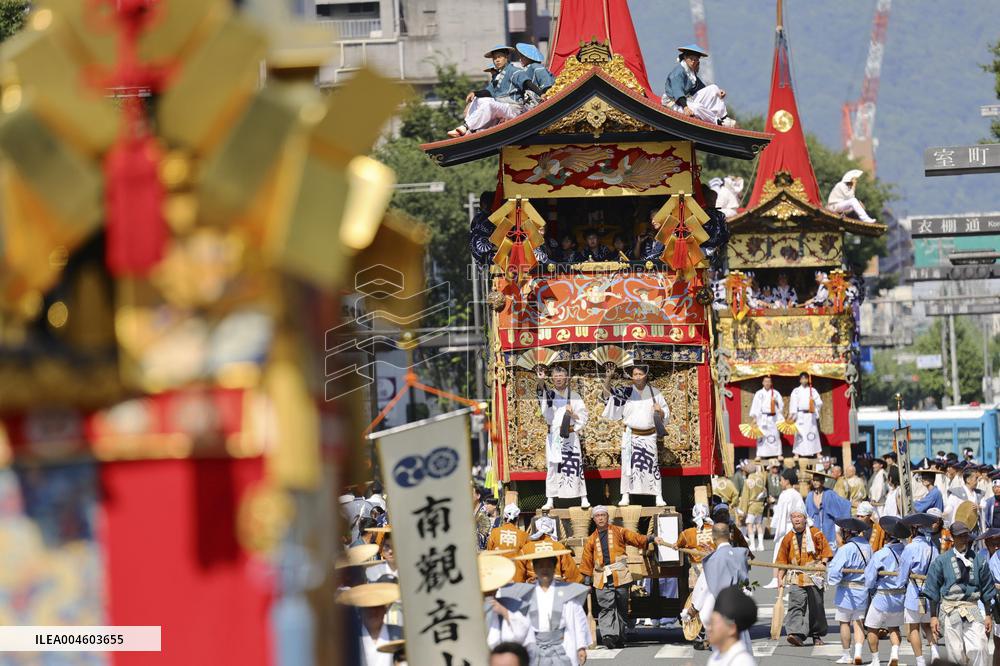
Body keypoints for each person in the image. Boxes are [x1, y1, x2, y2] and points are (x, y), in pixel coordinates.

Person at [580, 505, 667, 648]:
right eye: (597, 516)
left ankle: (619, 636)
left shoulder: (619, 532)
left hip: (620, 574)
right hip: (602, 577)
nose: (601, 518)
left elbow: (636, 539)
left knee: (621, 607)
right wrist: (587, 579)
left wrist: (651, 538)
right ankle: (609, 635)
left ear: (607, 517)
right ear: (593, 519)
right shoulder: (591, 540)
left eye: (603, 515)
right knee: (606, 606)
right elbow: (587, 559)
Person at [921, 521, 995, 666]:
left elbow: (987, 588)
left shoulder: (979, 560)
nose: (963, 539)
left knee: (979, 646)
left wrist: (988, 615)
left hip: (972, 607)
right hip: (950, 608)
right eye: (960, 536)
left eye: (965, 536)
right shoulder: (942, 561)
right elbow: (932, 589)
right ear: (953, 537)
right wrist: (934, 617)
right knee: (955, 651)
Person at [502, 551, 592, 665]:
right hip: (535, 647)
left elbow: (578, 620)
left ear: (554, 567)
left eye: (548, 565)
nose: (544, 569)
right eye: (540, 566)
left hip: (562, 645)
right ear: (534, 569)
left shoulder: (567, 591)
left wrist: (581, 646)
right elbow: (520, 623)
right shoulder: (527, 594)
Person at [602, 363, 669, 506]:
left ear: (646, 375)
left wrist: (660, 411)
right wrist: (608, 378)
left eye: (640, 374)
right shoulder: (625, 392)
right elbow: (607, 397)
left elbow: (666, 414)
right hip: (631, 435)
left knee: (652, 466)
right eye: (635, 375)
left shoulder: (655, 393)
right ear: (631, 377)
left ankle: (658, 495)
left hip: (649, 435)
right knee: (628, 466)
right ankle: (625, 495)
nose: (638, 377)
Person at [690, 523, 752, 653]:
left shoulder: (713, 560)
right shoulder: (741, 554)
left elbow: (704, 587)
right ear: (729, 535)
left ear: (713, 537)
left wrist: (694, 607)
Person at [777, 507, 834, 646]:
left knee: (816, 606)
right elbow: (782, 559)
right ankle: (795, 633)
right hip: (796, 575)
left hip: (814, 575)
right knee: (796, 604)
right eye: (794, 517)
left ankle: (816, 634)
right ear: (791, 519)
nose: (796, 519)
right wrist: (780, 577)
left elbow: (826, 551)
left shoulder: (815, 533)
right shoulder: (788, 537)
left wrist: (823, 563)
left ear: (804, 518)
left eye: (799, 516)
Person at [536, 365, 590, 509]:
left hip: (571, 434)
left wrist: (572, 414)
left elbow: (584, 417)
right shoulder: (550, 394)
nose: (558, 379)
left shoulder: (575, 396)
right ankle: (550, 499)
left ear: (566, 378)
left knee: (575, 465)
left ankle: (583, 497)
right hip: (554, 435)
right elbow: (542, 397)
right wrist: (541, 381)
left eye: (561, 376)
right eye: (555, 376)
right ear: (552, 378)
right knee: (553, 467)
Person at [864, 516, 910, 666]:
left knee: (872, 627)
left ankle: (876, 660)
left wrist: (872, 586)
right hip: (900, 596)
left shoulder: (881, 554)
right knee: (894, 627)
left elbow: (869, 579)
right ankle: (894, 654)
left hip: (882, 597)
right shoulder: (907, 552)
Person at [828, 517, 874, 665]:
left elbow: (834, 571)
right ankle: (859, 653)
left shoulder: (845, 549)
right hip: (862, 588)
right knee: (859, 622)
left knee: (844, 622)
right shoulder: (867, 546)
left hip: (847, 589)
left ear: (847, 532)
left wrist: (832, 579)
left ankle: (847, 655)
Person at [449, 46, 523, 137]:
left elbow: (527, 83)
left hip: (513, 109)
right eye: (494, 58)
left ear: (506, 57)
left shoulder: (514, 71)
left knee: (489, 104)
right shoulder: (497, 78)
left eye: (499, 57)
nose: (497, 60)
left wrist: (542, 93)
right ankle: (467, 128)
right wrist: (474, 93)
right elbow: (488, 92)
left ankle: (467, 127)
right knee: (478, 99)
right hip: (501, 108)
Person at [897, 513, 941, 666]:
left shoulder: (910, 547)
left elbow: (903, 574)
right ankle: (935, 652)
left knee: (914, 627)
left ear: (914, 530)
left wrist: (900, 583)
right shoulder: (933, 547)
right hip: (929, 591)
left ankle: (920, 660)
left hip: (914, 592)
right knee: (927, 624)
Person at [661, 44, 736, 127]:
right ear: (685, 58)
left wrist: (718, 92)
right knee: (697, 107)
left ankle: (724, 117)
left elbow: (700, 87)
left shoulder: (690, 71)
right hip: (675, 102)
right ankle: (718, 122)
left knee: (714, 88)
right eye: (691, 59)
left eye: (696, 60)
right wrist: (685, 107)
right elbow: (677, 92)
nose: (693, 62)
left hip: (687, 100)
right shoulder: (678, 73)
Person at [338, 581, 404, 666]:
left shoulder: (401, 634)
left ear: (385, 609)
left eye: (377, 607)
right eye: (368, 608)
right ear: (360, 611)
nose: (373, 612)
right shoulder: (349, 639)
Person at [764, 468, 807, 589]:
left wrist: (776, 524)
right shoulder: (797, 494)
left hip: (786, 525)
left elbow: (781, 513)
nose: (781, 482)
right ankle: (785, 579)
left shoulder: (785, 494)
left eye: (782, 480)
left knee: (779, 552)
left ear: (787, 481)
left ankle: (776, 578)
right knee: (791, 553)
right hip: (794, 525)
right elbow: (802, 511)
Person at [515, 517, 582, 584]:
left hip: (533, 588)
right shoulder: (559, 547)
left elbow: (518, 578)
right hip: (556, 588)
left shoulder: (526, 549)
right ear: (552, 529)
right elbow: (572, 574)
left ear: (537, 529)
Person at [706, 586, 758, 666]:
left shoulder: (741, 662)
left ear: (731, 628)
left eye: (713, 623)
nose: (709, 628)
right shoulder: (716, 656)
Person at [806, 471, 852, 551]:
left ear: (822, 481)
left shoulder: (829, 493)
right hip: (814, 526)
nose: (815, 482)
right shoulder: (810, 495)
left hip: (828, 525)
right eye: (814, 480)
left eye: (818, 480)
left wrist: (852, 504)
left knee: (829, 551)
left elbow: (842, 504)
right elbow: (807, 512)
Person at [749, 376, 784, 459]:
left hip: (773, 417)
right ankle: (759, 454)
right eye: (765, 381)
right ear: (763, 383)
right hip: (762, 418)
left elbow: (781, 405)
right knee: (761, 436)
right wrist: (755, 418)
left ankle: (778, 453)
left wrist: (776, 402)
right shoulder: (758, 393)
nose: (767, 383)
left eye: (769, 382)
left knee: (775, 434)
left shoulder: (776, 393)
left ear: (771, 383)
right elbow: (755, 406)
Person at [979, 528, 1000, 666]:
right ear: (986, 542)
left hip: (997, 603)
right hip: (982, 602)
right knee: (981, 640)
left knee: (998, 642)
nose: (996, 546)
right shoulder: (980, 555)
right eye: (993, 543)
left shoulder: (998, 556)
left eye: (998, 543)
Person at [788, 373, 822, 457]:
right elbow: (793, 403)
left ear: (808, 380)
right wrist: (792, 414)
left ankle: (817, 452)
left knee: (813, 432)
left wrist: (814, 405)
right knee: (799, 433)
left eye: (806, 378)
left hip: (810, 415)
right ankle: (797, 453)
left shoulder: (812, 390)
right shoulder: (796, 391)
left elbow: (819, 402)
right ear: (800, 380)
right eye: (802, 379)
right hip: (800, 415)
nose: (804, 380)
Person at [738, 460, 768, 551]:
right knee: (758, 524)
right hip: (760, 504)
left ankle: (753, 545)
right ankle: (761, 545)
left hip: (752, 505)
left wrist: (742, 509)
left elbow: (745, 496)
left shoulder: (748, 481)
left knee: (749, 524)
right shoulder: (761, 478)